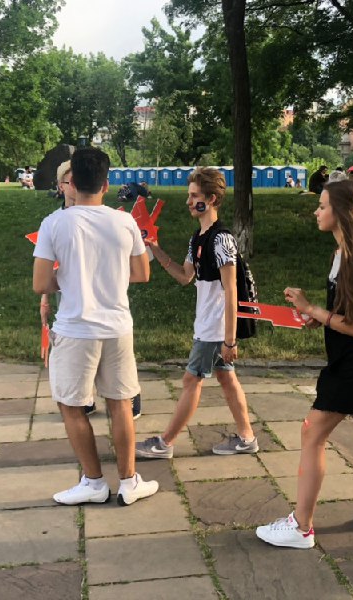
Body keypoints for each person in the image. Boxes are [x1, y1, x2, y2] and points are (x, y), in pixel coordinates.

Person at [256, 180, 353, 550]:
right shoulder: (342, 254)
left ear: (341, 212)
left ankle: (301, 527)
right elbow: (345, 314)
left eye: (323, 205)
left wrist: (313, 309)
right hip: (349, 359)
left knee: (312, 432)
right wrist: (316, 317)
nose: (317, 211)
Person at [32, 147, 158, 507]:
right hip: (117, 327)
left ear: (71, 183)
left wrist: (69, 279)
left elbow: (41, 283)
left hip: (75, 329)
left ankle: (93, 481)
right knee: (121, 404)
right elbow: (142, 274)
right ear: (105, 184)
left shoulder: (54, 223)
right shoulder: (124, 221)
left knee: (72, 407)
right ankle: (129, 481)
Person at [136, 167, 258, 459]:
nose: (189, 202)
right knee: (227, 379)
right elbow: (185, 276)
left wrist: (229, 340)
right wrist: (156, 249)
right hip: (209, 324)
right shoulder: (198, 238)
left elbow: (231, 290)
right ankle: (247, 438)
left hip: (215, 328)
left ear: (211, 199)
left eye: (194, 196)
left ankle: (164, 443)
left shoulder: (221, 240)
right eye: (189, 196)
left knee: (191, 381)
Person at [38, 160, 142, 419]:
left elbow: (136, 270)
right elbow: (44, 277)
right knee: (95, 402)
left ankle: (126, 399)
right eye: (66, 181)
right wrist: (51, 294)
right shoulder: (56, 222)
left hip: (98, 319)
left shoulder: (110, 219)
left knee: (102, 401)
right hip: (87, 315)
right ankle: (88, 399)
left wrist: (99, 278)